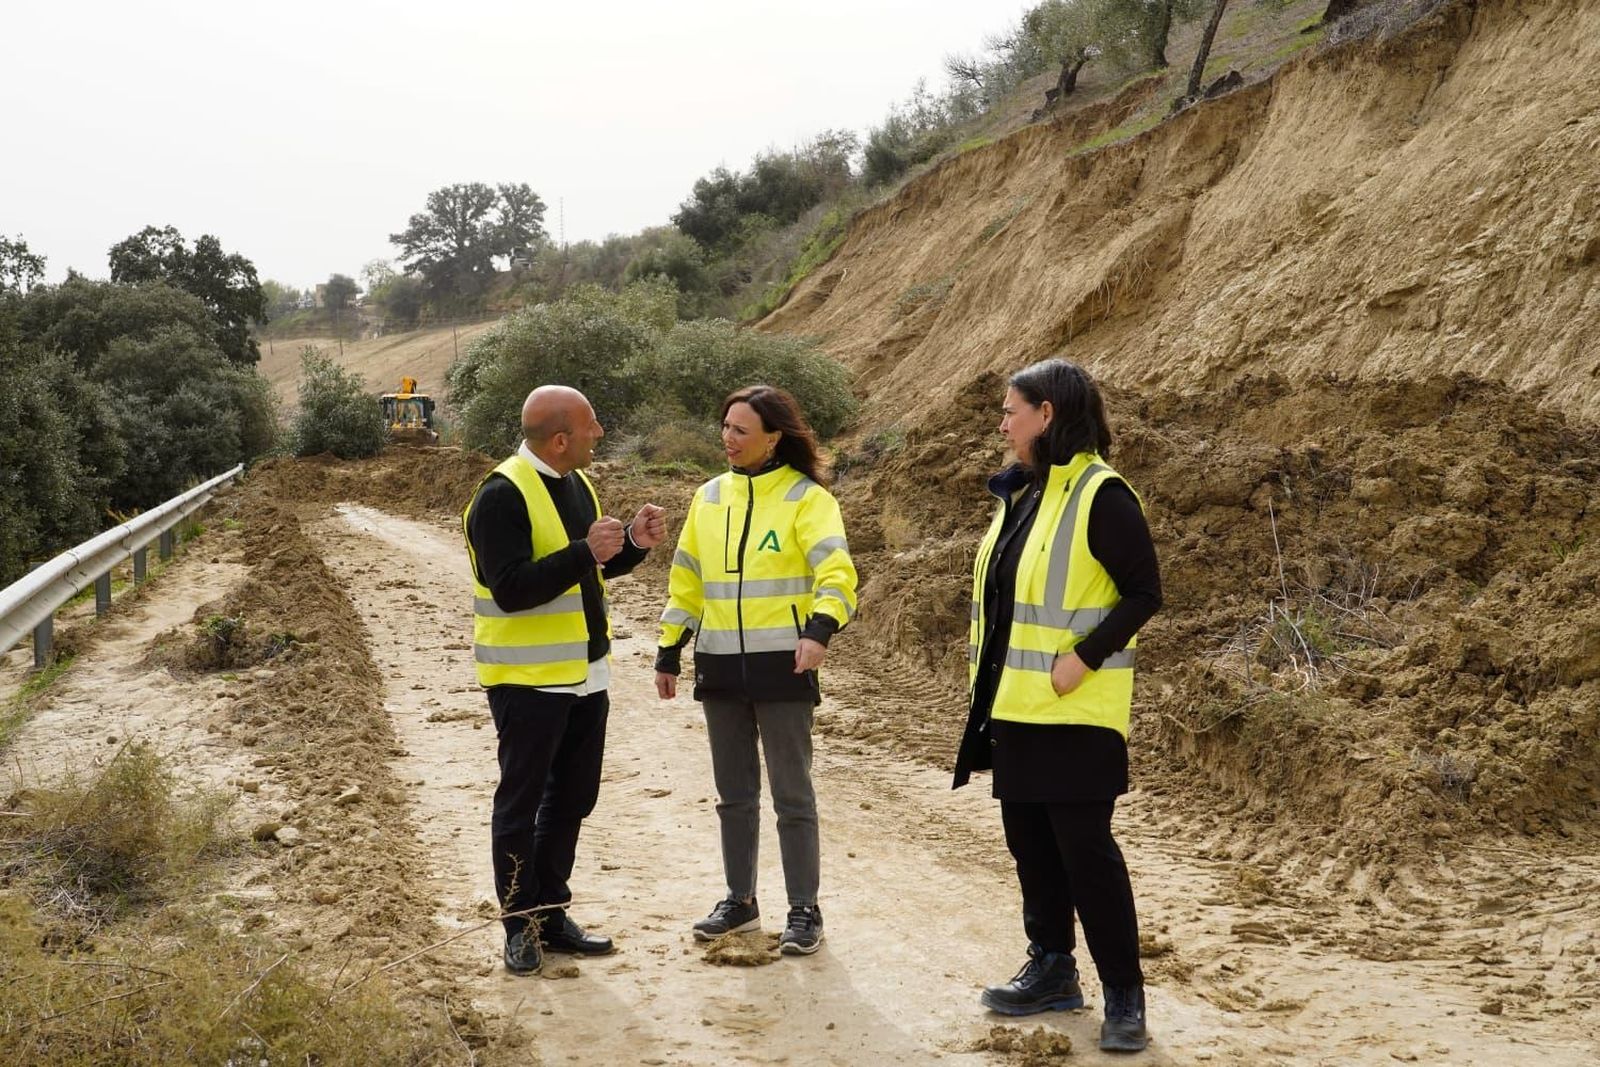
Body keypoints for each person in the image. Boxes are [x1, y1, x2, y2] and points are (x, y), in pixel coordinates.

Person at [953, 359, 1162, 1053]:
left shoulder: (1102, 494)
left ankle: (1124, 993)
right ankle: (1052, 967)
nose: (1003, 422)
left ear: (1048, 414)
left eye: (1013, 410)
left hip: (1077, 712)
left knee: (1086, 856)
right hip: (1018, 710)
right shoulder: (1026, 494)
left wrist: (1085, 655)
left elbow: (1144, 591)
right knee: (1032, 850)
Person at [462, 384, 667, 976]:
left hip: (586, 673)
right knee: (521, 803)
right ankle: (518, 927)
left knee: (574, 797)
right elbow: (513, 588)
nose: (599, 434)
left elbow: (592, 565)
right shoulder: (501, 496)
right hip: (526, 680)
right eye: (592, 426)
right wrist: (585, 552)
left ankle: (550, 914)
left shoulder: (576, 481)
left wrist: (631, 545)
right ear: (560, 440)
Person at [654, 385, 858, 956]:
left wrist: (820, 630)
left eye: (741, 430)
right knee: (733, 795)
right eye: (725, 427)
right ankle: (740, 902)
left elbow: (837, 574)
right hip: (719, 663)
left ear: (774, 437)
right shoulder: (708, 497)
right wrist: (670, 648)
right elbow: (687, 580)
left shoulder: (806, 498)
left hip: (784, 666)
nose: (728, 438)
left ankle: (803, 910)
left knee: (792, 795)